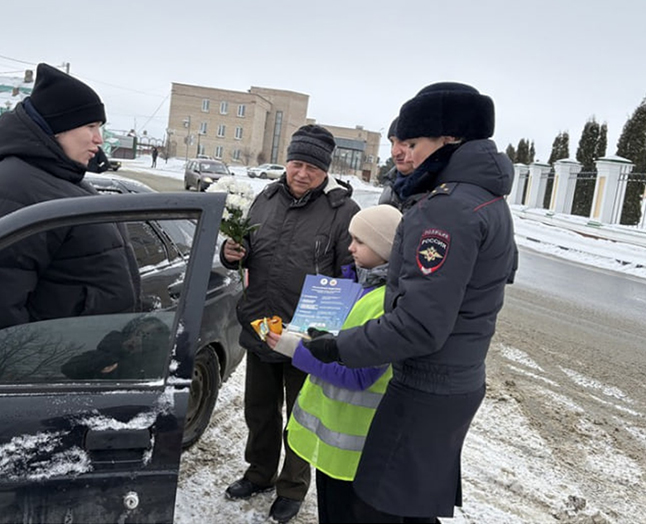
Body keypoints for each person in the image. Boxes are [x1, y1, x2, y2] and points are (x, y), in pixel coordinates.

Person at [303, 82, 518, 523]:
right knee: (413, 505)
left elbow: (419, 324)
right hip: (457, 378)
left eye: (413, 142)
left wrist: (340, 345)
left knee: (377, 506)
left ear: (449, 140)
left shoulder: (448, 208)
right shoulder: (486, 199)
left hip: (426, 384)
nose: (405, 153)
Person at [220, 124, 360, 523]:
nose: (301, 173)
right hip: (262, 324)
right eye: (296, 163)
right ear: (287, 161)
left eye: (311, 167)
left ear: (325, 170)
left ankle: (292, 486)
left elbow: (352, 273)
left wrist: (327, 329)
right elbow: (245, 252)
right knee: (259, 411)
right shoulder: (264, 199)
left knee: (302, 416)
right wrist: (231, 253)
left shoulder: (342, 211)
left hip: (305, 336)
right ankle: (259, 472)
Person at [0, 63, 141, 345]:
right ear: (57, 127)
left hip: (76, 360)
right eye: (90, 126)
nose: (99, 139)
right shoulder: (11, 192)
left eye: (99, 127)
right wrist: (27, 375)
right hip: (48, 368)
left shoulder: (63, 180)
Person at [265, 204, 402, 524]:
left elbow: (360, 375)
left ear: (384, 248)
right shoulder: (361, 288)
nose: (350, 247)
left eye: (360, 241)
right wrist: (304, 333)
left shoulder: (386, 303)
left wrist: (297, 350)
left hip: (354, 448)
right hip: (335, 441)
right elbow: (337, 341)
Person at [378, 116, 415, 208]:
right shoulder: (390, 187)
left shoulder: (440, 192)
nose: (395, 152)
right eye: (392, 143)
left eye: (403, 142)